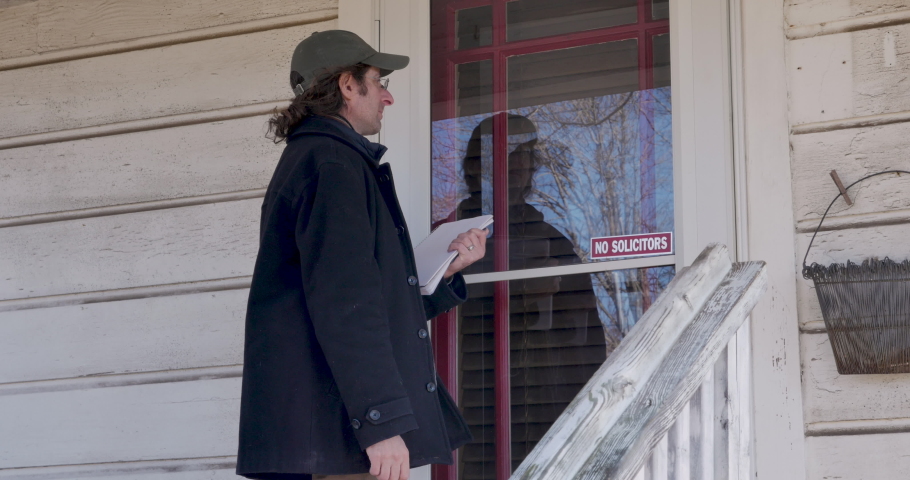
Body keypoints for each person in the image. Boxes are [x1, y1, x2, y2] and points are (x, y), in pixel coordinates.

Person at [236, 30, 488, 480]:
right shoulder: (332, 164)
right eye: (379, 80)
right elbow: (345, 306)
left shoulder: (320, 159)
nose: (388, 96)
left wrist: (445, 274)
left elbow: (362, 300)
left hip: (328, 435)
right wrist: (382, 424)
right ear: (348, 86)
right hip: (337, 440)